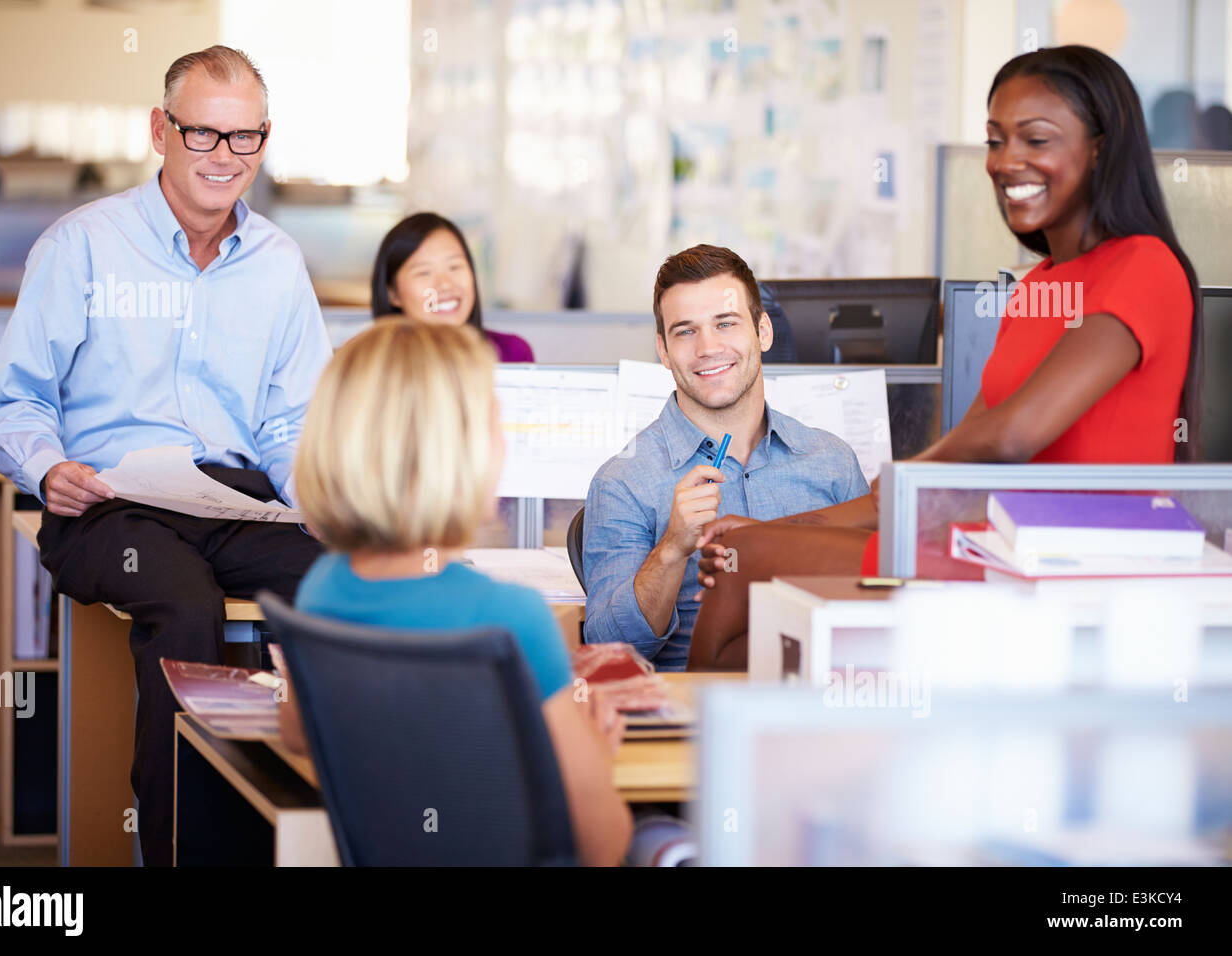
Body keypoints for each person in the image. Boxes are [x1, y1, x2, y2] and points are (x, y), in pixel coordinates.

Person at [690, 44, 1203, 667]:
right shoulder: (1038, 288)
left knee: (748, 569)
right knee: (747, 589)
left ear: (1101, 147)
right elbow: (962, 465)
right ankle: (731, 749)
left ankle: (703, 753)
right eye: (995, 140)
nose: (1006, 161)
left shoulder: (1144, 266)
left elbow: (1011, 436)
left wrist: (900, 482)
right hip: (995, 546)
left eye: (1034, 139)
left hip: (1073, 567)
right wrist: (790, 526)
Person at [0, 46, 332, 864]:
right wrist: (47, 467)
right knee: (184, 604)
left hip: (233, 502)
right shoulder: (83, 245)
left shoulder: (277, 264)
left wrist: (315, 496)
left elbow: (292, 420)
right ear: (160, 131)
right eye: (204, 134)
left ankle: (313, 829)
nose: (225, 157)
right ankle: (178, 848)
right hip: (109, 503)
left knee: (335, 586)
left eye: (246, 138)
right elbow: (4, 403)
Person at [293, 320, 632, 866]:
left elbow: (299, 734)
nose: (503, 447)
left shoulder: (322, 588)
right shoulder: (510, 619)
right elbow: (602, 843)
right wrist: (595, 752)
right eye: (494, 428)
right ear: (451, 456)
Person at [582, 244, 868, 670]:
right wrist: (672, 550)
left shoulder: (830, 462)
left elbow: (881, 597)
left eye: (726, 323)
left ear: (763, 332)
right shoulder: (622, 481)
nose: (708, 347)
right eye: (685, 331)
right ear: (663, 351)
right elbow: (609, 652)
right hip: (691, 719)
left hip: (817, 707)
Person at [370, 212, 535, 362]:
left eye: (454, 267)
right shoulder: (366, 364)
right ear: (393, 294)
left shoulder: (511, 353)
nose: (445, 284)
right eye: (424, 272)